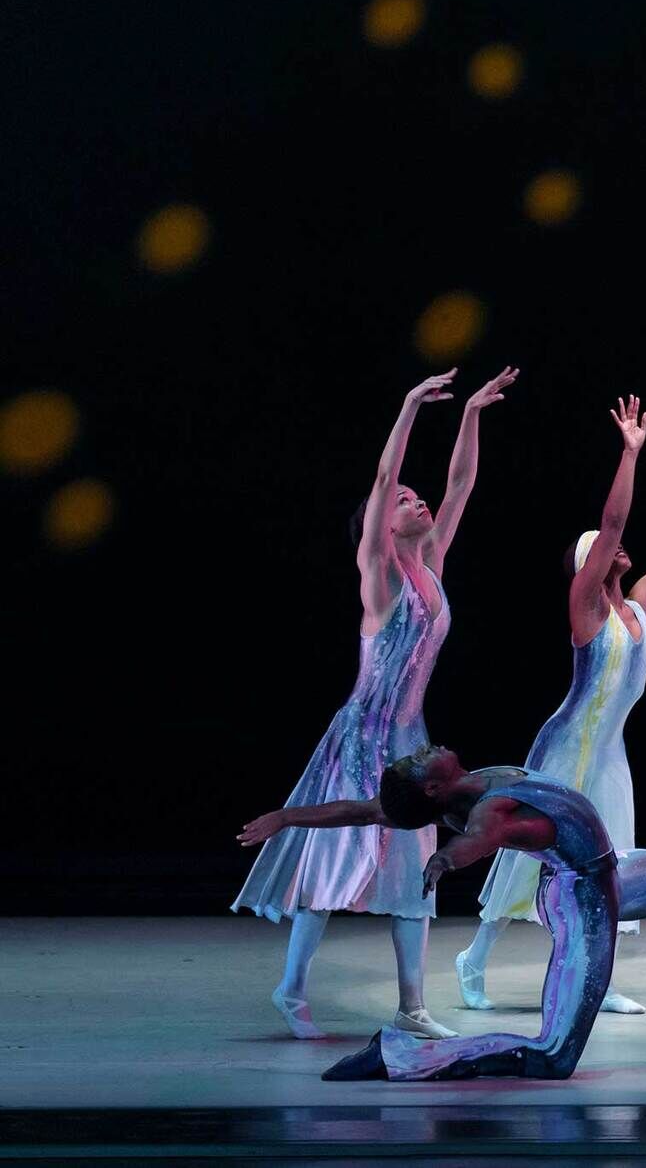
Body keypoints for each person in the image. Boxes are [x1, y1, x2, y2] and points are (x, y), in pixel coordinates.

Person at [231, 365, 516, 1040]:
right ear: (381, 527)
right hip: (361, 736)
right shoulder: (381, 576)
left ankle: (412, 1005)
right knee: (332, 862)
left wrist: (472, 411)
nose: (416, 501)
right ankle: (291, 989)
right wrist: (410, 403)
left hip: (412, 740)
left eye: (419, 500)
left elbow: (461, 483)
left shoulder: (431, 567)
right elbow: (385, 478)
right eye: (404, 501)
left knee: (415, 863)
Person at [241, 745, 646, 1079]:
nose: (424, 748)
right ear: (432, 786)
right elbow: (477, 840)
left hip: (610, 875)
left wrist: (286, 817)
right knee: (553, 1056)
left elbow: (363, 812)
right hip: (581, 902)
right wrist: (445, 858)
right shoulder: (489, 811)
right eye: (418, 761)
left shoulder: (466, 790)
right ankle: (400, 1054)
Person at [459, 397, 646, 1015]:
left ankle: (599, 976)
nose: (614, 546)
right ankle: (475, 956)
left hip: (611, 755)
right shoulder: (588, 608)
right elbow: (615, 522)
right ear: (586, 564)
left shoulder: (640, 606)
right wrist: (629, 453)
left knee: (608, 861)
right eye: (598, 546)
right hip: (566, 747)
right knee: (530, 854)